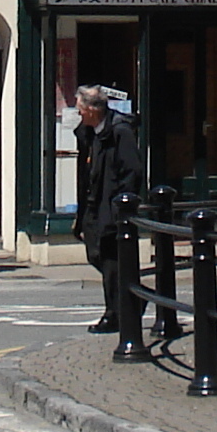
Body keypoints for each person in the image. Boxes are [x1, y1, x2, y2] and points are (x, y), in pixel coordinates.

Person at [70, 86, 142, 338]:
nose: (77, 112)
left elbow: (132, 172)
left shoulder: (119, 132)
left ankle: (115, 313)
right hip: (91, 205)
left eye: (80, 107)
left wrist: (118, 208)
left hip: (109, 207)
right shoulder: (88, 133)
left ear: (91, 109)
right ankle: (133, 296)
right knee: (95, 255)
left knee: (111, 262)